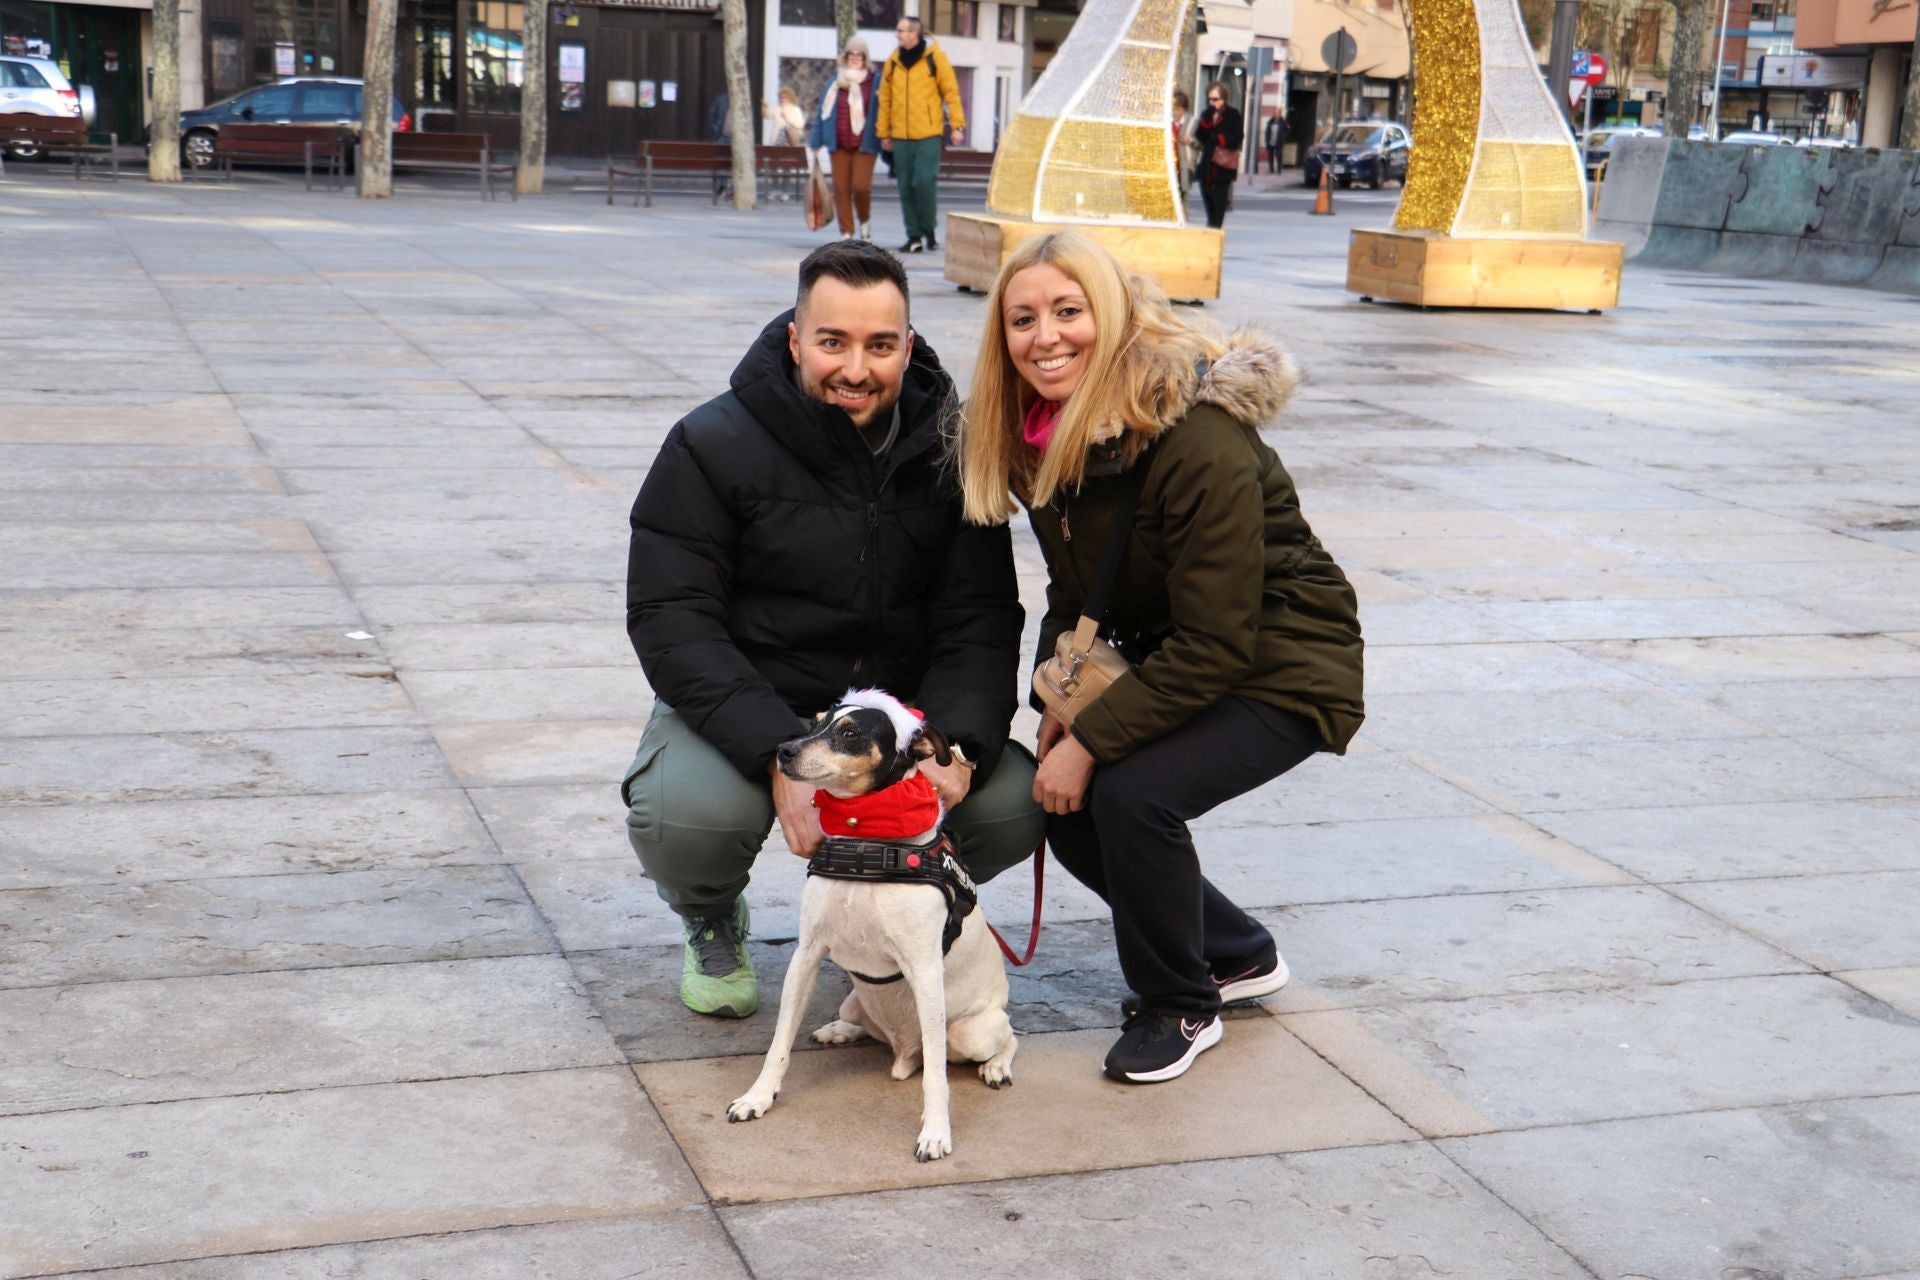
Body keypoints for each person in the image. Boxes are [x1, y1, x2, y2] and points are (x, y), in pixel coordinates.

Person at [953, 231, 1365, 1084]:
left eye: (1069, 312)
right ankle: (1237, 951)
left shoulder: (1199, 440)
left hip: (1284, 663)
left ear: (1109, 316)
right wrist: (1058, 709)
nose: (1046, 336)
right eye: (1023, 319)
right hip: (1180, 655)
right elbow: (1076, 597)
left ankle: (1181, 1000)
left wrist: (1097, 742)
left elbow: (1219, 643)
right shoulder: (1047, 435)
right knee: (1064, 806)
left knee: (1133, 796)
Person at [623, 241, 1043, 1020]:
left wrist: (955, 741)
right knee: (685, 818)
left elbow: (979, 618)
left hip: (891, 720)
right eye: (833, 342)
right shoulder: (710, 444)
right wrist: (773, 748)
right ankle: (712, 914)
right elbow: (671, 618)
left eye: (880, 345)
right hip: (750, 703)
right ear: (794, 339)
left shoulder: (954, 450)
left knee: (1010, 798)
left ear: (907, 345)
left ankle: (883, 925)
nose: (856, 367)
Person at [877, 16, 966, 253]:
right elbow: (884, 100)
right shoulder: (893, 62)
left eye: (901, 30)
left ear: (914, 33)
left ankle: (928, 226)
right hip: (900, 136)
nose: (897, 34)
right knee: (905, 186)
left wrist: (957, 126)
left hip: (928, 133)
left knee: (923, 182)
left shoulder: (935, 58)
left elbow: (951, 93)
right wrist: (883, 132)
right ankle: (914, 236)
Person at [809, 39, 882, 240]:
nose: (855, 58)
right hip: (838, 143)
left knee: (860, 187)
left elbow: (884, 109)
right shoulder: (834, 82)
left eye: (859, 55)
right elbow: (822, 112)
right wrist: (815, 142)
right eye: (852, 54)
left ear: (865, 58)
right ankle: (847, 232)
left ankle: (865, 222)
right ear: (846, 57)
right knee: (840, 188)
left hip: (865, 144)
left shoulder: (875, 80)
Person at [1192, 82, 1243, 229]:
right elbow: (1201, 136)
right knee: (1205, 190)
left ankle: (1216, 226)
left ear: (1223, 98)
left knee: (1220, 196)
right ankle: (1211, 222)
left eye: (1215, 99)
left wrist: (1220, 138)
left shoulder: (1232, 114)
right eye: (1210, 99)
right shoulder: (1207, 113)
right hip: (1208, 161)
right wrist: (1205, 125)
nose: (1212, 103)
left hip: (1224, 162)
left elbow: (1237, 137)